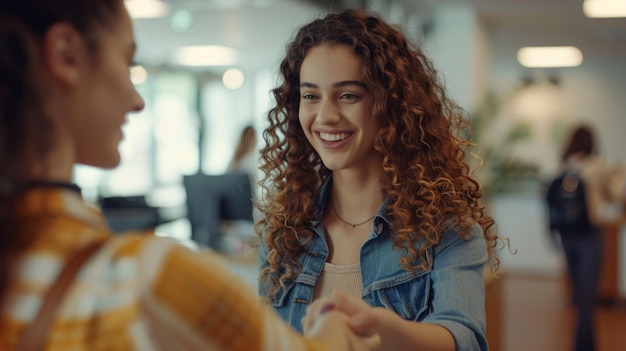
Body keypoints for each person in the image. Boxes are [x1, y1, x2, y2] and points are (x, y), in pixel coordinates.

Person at [0, 1, 380, 350]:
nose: (138, 99)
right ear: (66, 55)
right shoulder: (150, 279)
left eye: (348, 95)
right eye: (126, 61)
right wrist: (333, 320)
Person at [256, 8, 501, 351]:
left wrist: (390, 332)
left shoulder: (447, 232)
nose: (325, 115)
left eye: (348, 95)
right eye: (310, 96)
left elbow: (465, 337)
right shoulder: (284, 231)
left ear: (390, 105)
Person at [553, 124, 624, 351]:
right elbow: (615, 196)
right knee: (587, 294)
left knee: (578, 291)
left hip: (567, 235)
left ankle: (585, 343)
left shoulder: (564, 165)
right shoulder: (599, 167)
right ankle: (583, 346)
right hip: (590, 236)